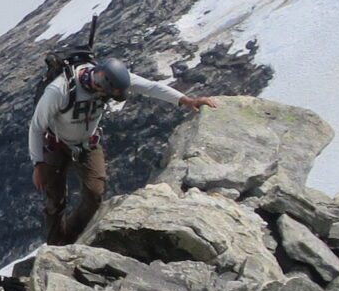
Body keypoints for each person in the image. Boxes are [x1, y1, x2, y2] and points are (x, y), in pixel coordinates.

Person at [27, 53, 212, 245]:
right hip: (56, 144)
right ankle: (56, 243)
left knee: (95, 193)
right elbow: (36, 127)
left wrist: (186, 100)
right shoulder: (59, 90)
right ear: (100, 84)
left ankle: (71, 238)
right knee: (55, 200)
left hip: (87, 143)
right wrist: (38, 164)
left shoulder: (112, 79)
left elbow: (151, 87)